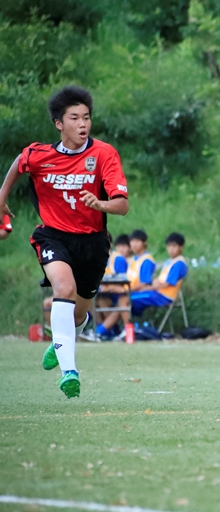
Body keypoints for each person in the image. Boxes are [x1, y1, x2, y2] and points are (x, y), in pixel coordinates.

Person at [0, 85, 129, 398]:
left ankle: (61, 343)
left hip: (93, 243)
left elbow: (122, 205)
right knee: (63, 289)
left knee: (79, 313)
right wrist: (1, 199)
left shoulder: (103, 154)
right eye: (74, 118)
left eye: (86, 117)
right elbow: (20, 162)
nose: (83, 124)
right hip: (53, 235)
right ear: (59, 123)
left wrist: (100, 204)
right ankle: (69, 371)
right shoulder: (40, 155)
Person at [94, 229, 154, 340]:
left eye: (137, 241)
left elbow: (144, 284)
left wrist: (125, 290)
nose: (134, 244)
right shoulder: (132, 260)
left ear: (144, 243)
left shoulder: (146, 260)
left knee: (123, 300)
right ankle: (108, 331)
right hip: (127, 291)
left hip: (142, 293)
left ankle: (125, 331)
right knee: (102, 299)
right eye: (132, 241)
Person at [128, 232, 187, 317]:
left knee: (127, 299)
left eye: (174, 246)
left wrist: (147, 288)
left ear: (181, 247)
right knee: (125, 299)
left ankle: (129, 323)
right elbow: (161, 280)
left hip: (163, 296)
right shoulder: (170, 261)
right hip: (156, 293)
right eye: (169, 246)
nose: (171, 249)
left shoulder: (179, 264)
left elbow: (166, 284)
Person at [93, 233, 132, 332]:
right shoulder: (98, 258)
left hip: (119, 293)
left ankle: (104, 330)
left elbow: (122, 281)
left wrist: (108, 288)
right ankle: (104, 330)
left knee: (106, 301)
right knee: (95, 300)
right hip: (106, 293)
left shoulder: (118, 259)